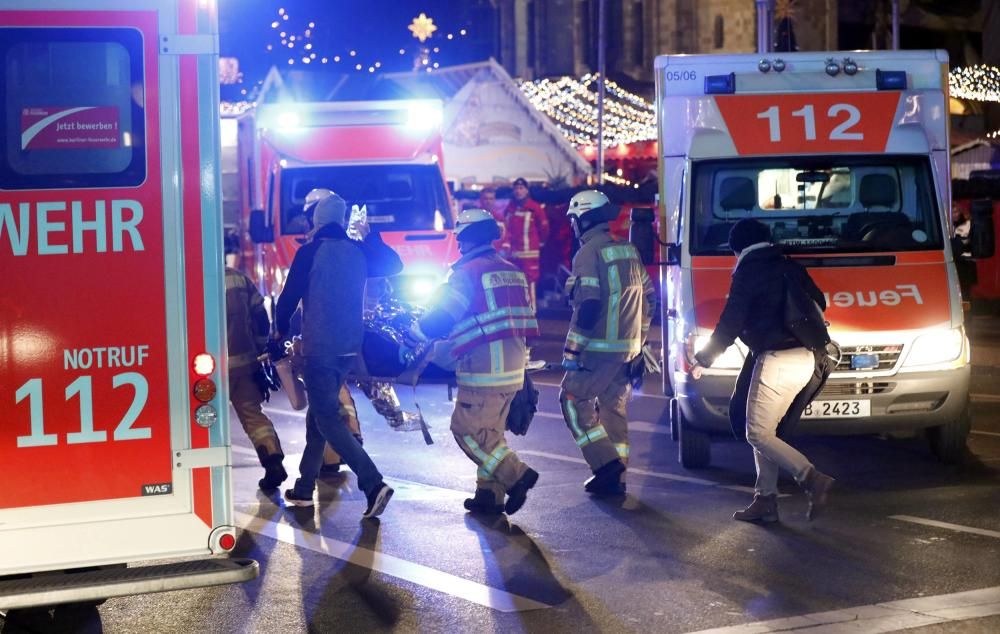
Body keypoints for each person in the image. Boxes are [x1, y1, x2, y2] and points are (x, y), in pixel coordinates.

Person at [690, 218, 835, 523]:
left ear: (736, 248)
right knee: (765, 429)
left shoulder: (748, 271)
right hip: (806, 358)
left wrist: (704, 359)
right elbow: (820, 301)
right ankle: (765, 499)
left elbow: (730, 323)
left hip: (776, 360)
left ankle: (810, 477)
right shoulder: (789, 265)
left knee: (756, 432)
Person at [274, 188, 402, 518]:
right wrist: (373, 238)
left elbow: (287, 300)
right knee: (319, 415)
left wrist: (277, 334)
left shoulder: (311, 252)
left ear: (317, 220)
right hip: (349, 347)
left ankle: (373, 482)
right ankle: (304, 488)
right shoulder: (357, 251)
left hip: (320, 348)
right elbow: (394, 265)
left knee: (327, 418)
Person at [409, 209, 540, 515]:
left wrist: (416, 332)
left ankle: (516, 475)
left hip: (484, 369)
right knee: (491, 433)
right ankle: (488, 495)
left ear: (465, 239)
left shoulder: (467, 274)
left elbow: (442, 318)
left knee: (466, 430)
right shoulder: (510, 270)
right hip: (514, 367)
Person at [560, 190, 656, 496]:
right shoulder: (628, 250)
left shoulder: (587, 254)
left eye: (574, 220)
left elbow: (587, 306)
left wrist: (572, 350)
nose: (573, 226)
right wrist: (638, 341)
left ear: (583, 219)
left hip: (598, 351)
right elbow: (649, 299)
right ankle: (618, 479)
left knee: (572, 401)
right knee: (613, 410)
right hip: (627, 351)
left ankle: (605, 466)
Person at [225, 266, 287, 492]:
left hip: (202, 369)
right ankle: (273, 462)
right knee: (252, 415)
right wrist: (259, 347)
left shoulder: (183, 277)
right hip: (244, 362)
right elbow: (261, 316)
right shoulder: (237, 277)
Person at [502, 177, 549, 308]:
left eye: (521, 188)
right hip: (513, 254)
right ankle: (518, 309)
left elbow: (544, 228)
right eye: (516, 188)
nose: (518, 191)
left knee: (530, 281)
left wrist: (539, 243)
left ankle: (531, 311)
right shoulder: (510, 209)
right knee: (513, 281)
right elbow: (507, 230)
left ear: (527, 190)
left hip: (529, 254)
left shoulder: (535, 208)